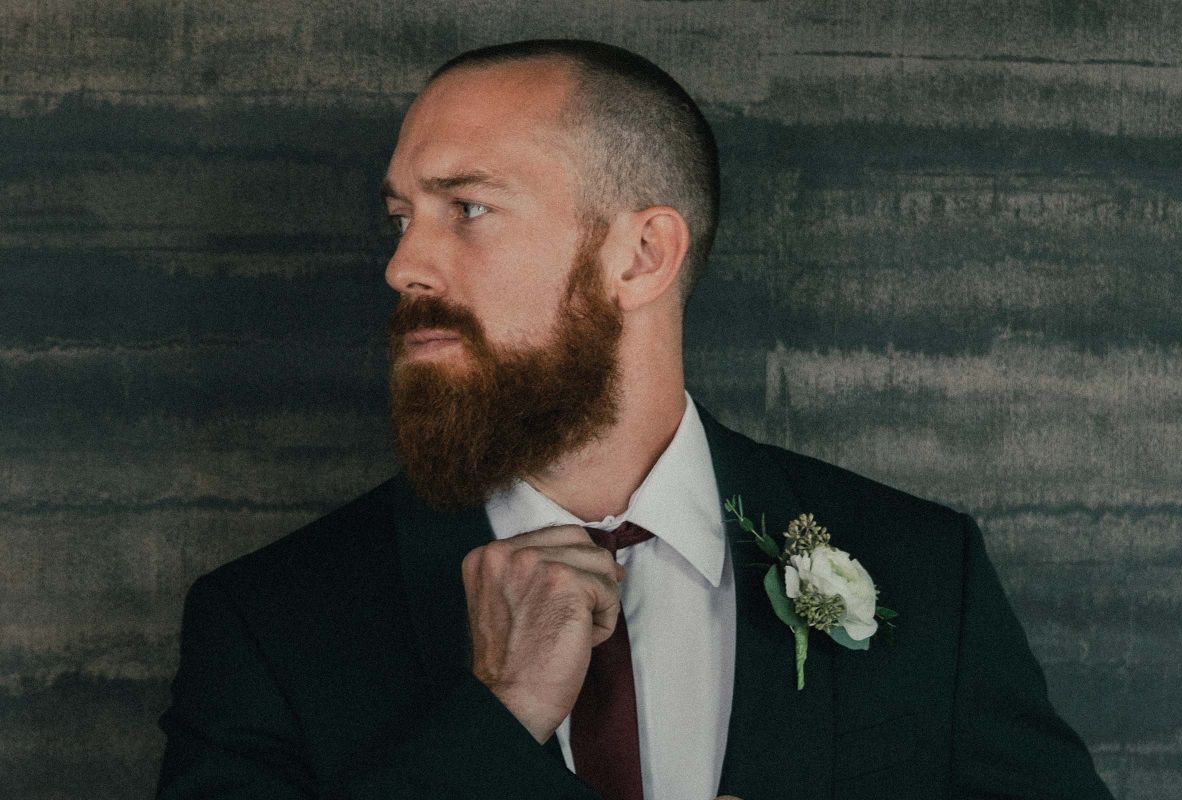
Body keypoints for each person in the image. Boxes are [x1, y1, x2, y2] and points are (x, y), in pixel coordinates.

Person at [154, 39, 1114, 800]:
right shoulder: (272, 621)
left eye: (468, 209)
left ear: (643, 255)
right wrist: (500, 715)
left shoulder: (925, 572)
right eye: (403, 217)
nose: (404, 266)